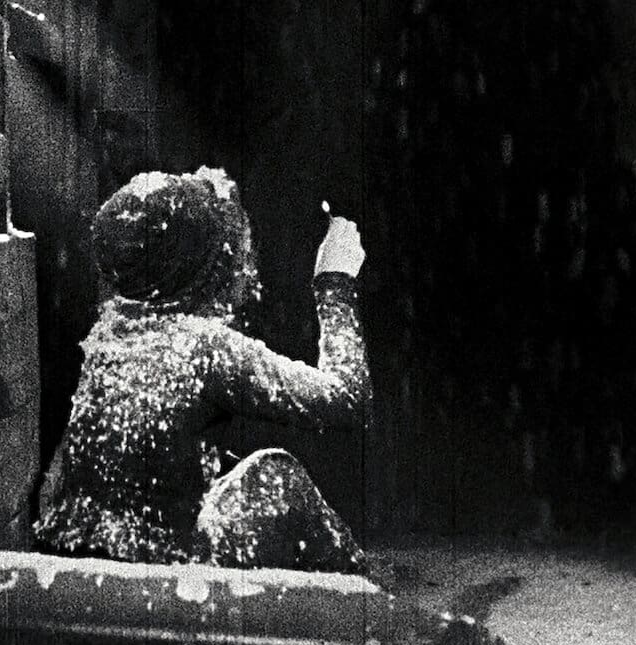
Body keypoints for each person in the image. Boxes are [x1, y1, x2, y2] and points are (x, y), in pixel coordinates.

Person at [34, 167, 383, 579]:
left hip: (82, 561)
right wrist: (334, 283)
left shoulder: (109, 334)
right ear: (196, 262)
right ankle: (366, 595)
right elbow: (348, 400)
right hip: (162, 579)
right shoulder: (204, 347)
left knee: (223, 467)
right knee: (278, 475)